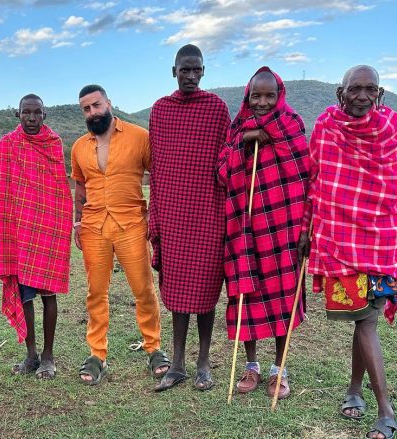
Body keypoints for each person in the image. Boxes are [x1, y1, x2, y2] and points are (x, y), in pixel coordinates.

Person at [298, 65, 397, 439]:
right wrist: (307, 228)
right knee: (362, 320)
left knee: (366, 322)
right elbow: (315, 180)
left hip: (382, 243)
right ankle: (354, 391)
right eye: (354, 89)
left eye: (369, 89)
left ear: (380, 93)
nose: (362, 96)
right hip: (340, 242)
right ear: (340, 93)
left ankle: (384, 409)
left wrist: (393, 206)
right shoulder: (325, 129)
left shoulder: (396, 129)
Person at [217, 66, 311, 399]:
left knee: (283, 298)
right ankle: (252, 366)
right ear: (247, 95)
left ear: (279, 96)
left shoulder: (292, 124)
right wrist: (245, 140)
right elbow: (223, 172)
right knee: (246, 296)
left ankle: (279, 369)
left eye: (269, 95)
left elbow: (305, 177)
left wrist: (305, 229)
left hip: (283, 229)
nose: (262, 102)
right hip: (245, 228)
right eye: (256, 95)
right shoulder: (236, 127)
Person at [71, 84, 170, 385]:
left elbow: (160, 177)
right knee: (96, 293)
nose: (93, 112)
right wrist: (77, 222)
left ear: (109, 103)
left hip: (131, 224)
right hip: (93, 227)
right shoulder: (78, 147)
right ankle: (97, 354)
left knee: (143, 289)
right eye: (86, 108)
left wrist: (155, 216)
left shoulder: (140, 137)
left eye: (96, 105)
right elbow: (80, 188)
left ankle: (154, 347)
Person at [149, 44, 230, 392]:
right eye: (185, 70)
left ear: (204, 72)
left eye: (197, 70)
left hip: (209, 215)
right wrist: (158, 218)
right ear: (174, 71)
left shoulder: (216, 109)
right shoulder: (160, 111)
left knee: (206, 292)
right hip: (173, 215)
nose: (191, 76)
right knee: (178, 292)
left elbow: (226, 160)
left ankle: (203, 363)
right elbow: (159, 167)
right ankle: (178, 363)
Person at [0, 94, 72, 380]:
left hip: (47, 228)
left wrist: (58, 224)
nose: (32, 118)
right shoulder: (7, 145)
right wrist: (3, 228)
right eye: (26, 113)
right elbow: (1, 190)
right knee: (25, 296)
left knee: (48, 295)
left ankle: (48, 356)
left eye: (37, 113)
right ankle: (31, 354)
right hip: (18, 231)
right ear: (17, 114)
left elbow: (59, 190)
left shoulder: (54, 144)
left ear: (44, 115)